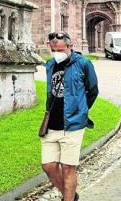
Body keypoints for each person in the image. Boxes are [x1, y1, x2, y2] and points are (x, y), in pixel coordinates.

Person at [41, 32, 99, 201]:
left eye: (60, 49)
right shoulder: (50, 64)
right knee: (48, 166)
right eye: (53, 50)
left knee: (68, 168)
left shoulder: (83, 64)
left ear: (69, 46)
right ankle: (71, 196)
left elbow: (93, 90)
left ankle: (68, 198)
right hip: (52, 122)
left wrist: (81, 110)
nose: (57, 53)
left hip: (73, 124)